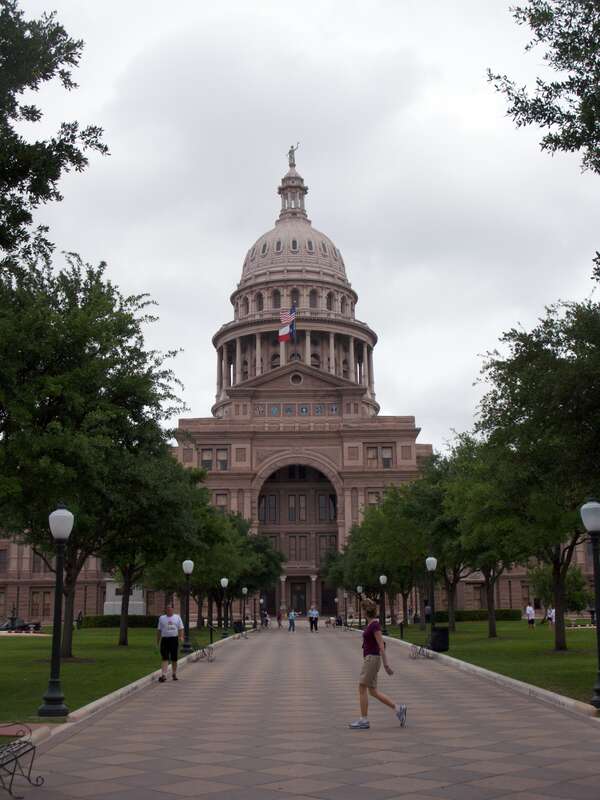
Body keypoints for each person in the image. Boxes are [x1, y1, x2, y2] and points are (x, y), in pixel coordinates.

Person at [349, 599, 407, 730]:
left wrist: (386, 665)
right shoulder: (371, 624)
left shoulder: (374, 625)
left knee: (361, 687)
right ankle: (399, 709)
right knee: (373, 691)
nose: (361, 612)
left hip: (372, 659)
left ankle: (363, 720)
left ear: (365, 610)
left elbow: (381, 644)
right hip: (370, 659)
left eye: (362, 609)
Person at [156, 603, 184, 682]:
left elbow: (181, 628)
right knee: (165, 657)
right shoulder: (162, 618)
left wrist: (181, 637)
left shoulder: (177, 617)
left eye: (170, 609)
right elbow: (159, 630)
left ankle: (174, 673)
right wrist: (157, 641)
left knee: (174, 658)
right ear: (166, 610)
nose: (168, 610)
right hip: (165, 640)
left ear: (173, 609)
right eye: (167, 609)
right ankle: (164, 675)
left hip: (174, 639)